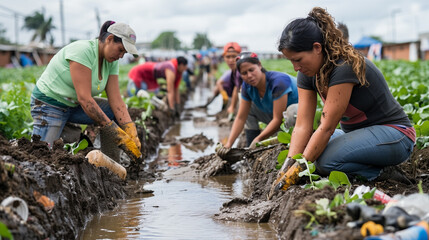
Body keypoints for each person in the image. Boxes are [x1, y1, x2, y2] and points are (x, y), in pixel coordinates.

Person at [277, 7, 415, 182]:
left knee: (325, 162)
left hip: (396, 135)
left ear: (317, 48)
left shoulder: (344, 66)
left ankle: (381, 174)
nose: (295, 67)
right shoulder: (306, 73)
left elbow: (327, 128)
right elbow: (302, 126)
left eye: (298, 59)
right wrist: (288, 165)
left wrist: (299, 170)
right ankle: (369, 165)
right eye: (291, 61)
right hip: (357, 135)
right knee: (309, 148)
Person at [30, 20, 141, 160]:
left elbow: (116, 100)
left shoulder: (111, 61)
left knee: (116, 110)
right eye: (120, 50)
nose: (121, 56)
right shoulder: (83, 51)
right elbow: (85, 99)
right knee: (43, 154)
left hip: (74, 105)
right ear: (109, 39)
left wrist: (131, 129)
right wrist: (115, 132)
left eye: (124, 53)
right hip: (50, 104)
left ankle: (112, 167)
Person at [217, 52, 298, 152]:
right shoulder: (247, 87)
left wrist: (259, 139)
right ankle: (251, 150)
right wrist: (228, 144)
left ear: (259, 65)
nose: (249, 75)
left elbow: (278, 119)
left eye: (251, 70)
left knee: (292, 111)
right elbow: (241, 118)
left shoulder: (278, 82)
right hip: (277, 120)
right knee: (247, 110)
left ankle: (292, 147)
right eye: (244, 73)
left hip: (298, 121)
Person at [206, 42, 243, 120]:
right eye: (228, 57)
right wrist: (224, 96)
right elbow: (236, 88)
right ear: (224, 57)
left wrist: (233, 106)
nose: (231, 60)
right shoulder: (233, 71)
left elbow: (238, 89)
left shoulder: (242, 70)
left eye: (234, 56)